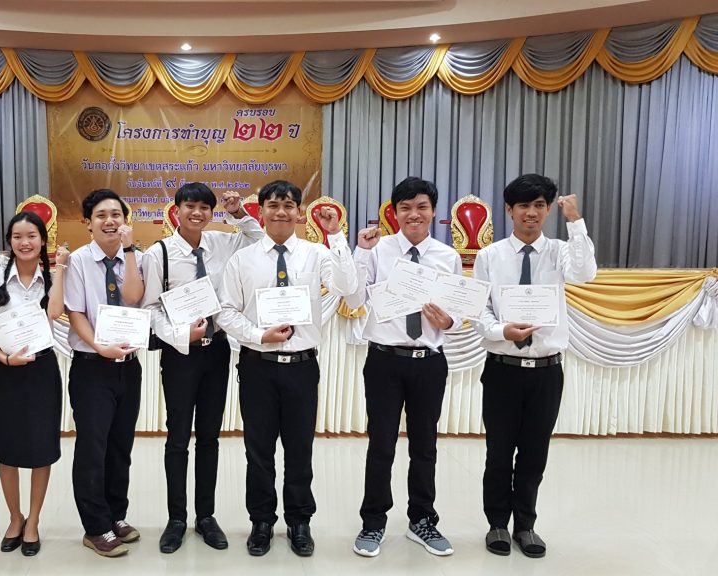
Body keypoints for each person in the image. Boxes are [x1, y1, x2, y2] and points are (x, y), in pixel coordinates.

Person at [216, 179, 357, 557]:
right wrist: (259, 335)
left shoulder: (316, 253)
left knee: (299, 449)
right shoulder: (242, 259)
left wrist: (336, 236)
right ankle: (261, 520)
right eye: (273, 205)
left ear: (299, 212)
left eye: (288, 205)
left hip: (301, 366)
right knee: (258, 449)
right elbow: (226, 311)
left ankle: (299, 521)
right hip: (257, 366)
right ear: (260, 212)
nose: (281, 212)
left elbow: (348, 286)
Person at [473, 173, 597, 558]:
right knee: (498, 451)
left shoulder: (560, 251)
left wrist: (575, 221)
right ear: (509, 210)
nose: (532, 212)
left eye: (540, 205)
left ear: (548, 210)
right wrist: (502, 330)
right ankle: (497, 523)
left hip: (546, 370)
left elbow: (585, 273)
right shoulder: (490, 256)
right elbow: (479, 310)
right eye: (524, 205)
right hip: (503, 367)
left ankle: (525, 525)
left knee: (534, 452)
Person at [141, 183, 264, 553]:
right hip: (180, 355)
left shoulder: (222, 243)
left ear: (212, 213)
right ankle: (176, 518)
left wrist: (238, 213)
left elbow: (258, 239)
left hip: (217, 351)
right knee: (178, 437)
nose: (197, 213)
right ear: (176, 210)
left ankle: (206, 516)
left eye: (204, 208)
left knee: (210, 437)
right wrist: (182, 335)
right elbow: (150, 309)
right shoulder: (159, 253)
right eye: (190, 206)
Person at [346, 177, 460, 558]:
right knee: (381, 445)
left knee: (425, 446)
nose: (414, 214)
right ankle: (373, 522)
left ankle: (422, 520)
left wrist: (449, 321)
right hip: (385, 361)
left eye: (421, 206)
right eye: (405, 208)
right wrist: (361, 253)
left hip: (429, 362)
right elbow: (355, 298)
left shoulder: (447, 256)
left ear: (433, 211)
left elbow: (457, 312)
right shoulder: (376, 250)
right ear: (393, 213)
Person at [0, 211, 68, 557]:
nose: (24, 242)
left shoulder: (52, 278)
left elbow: (55, 313)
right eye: (17, 236)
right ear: (9, 241)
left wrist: (60, 270)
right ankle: (15, 518)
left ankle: (33, 522)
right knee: (8, 449)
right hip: (6, 372)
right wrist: (3, 359)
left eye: (32, 236)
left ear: (43, 240)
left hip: (42, 371)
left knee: (42, 448)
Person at [63, 189, 145, 557]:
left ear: (125, 220)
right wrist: (99, 346)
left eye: (116, 214)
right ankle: (95, 526)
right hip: (92, 366)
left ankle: (116, 515)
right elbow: (75, 313)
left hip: (128, 366)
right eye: (101, 215)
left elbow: (133, 298)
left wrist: (129, 251)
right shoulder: (78, 261)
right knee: (92, 448)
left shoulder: (136, 257)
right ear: (88, 222)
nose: (109, 221)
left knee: (120, 446)